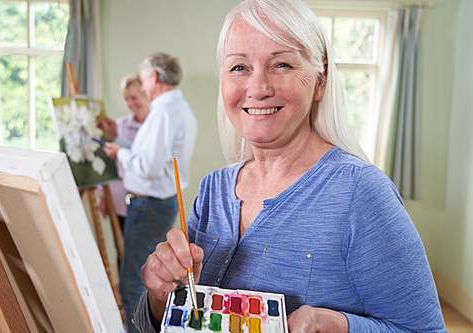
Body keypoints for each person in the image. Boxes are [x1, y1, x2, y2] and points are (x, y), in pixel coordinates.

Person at [135, 0, 447, 332]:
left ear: (320, 80)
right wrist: (159, 295)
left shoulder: (363, 194)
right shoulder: (213, 189)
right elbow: (163, 321)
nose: (258, 89)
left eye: (282, 64)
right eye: (239, 67)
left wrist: (339, 325)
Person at [101, 53, 198, 333]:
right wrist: (119, 142)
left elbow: (148, 167)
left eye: (143, 80)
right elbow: (150, 155)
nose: (142, 88)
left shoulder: (164, 113)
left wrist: (120, 152)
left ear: (153, 77)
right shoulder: (177, 109)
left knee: (134, 283)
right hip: (158, 203)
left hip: (149, 206)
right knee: (157, 278)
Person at [96, 75, 149, 228]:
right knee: (121, 250)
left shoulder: (155, 127)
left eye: (133, 97)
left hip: (148, 202)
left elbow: (146, 158)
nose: (130, 104)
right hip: (118, 201)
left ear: (146, 94)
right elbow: (108, 164)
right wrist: (102, 196)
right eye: (126, 99)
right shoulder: (118, 125)